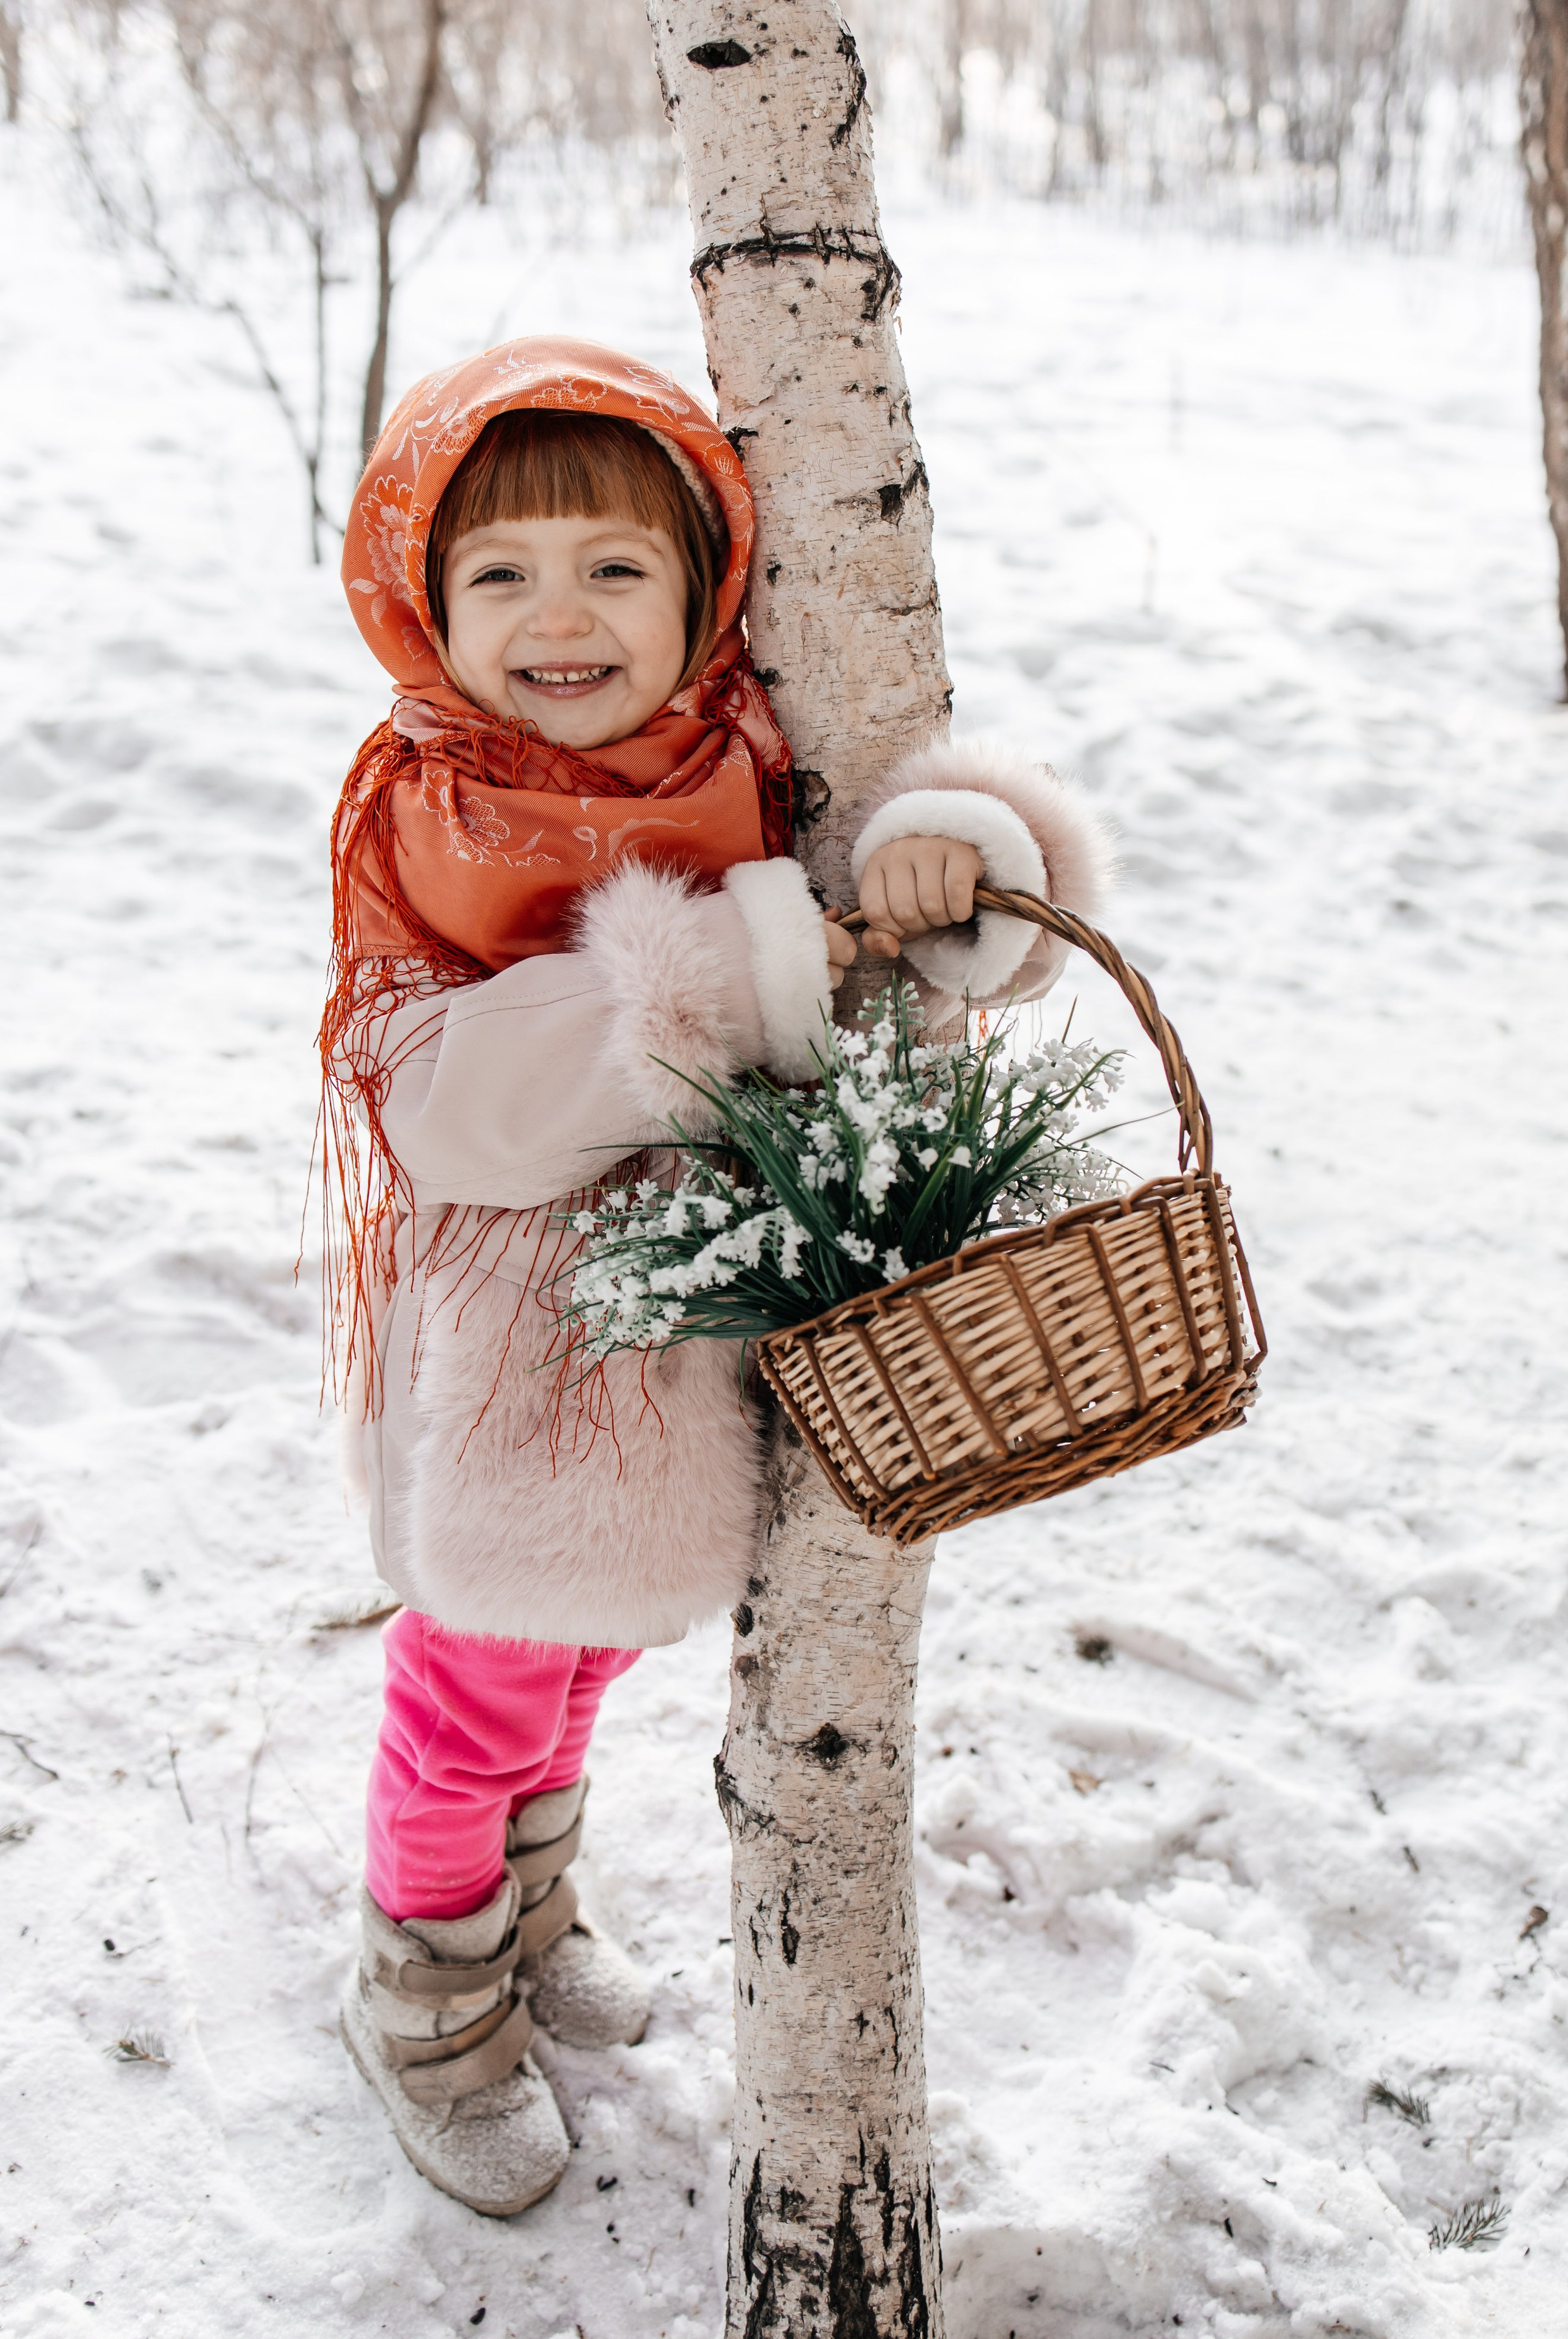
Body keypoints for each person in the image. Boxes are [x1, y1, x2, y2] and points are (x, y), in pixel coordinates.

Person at [322, 336, 1111, 2214]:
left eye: (616, 567)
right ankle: (424, 1991)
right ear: (429, 608)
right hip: (527, 1341)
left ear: (704, 593)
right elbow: (452, 1109)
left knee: (596, 1649)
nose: (558, 616)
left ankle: (531, 1902)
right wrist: (763, 959)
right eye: (499, 574)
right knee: (478, 1681)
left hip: (720, 1303)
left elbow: (916, 927)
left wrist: (941, 868)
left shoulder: (757, 745)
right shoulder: (423, 811)